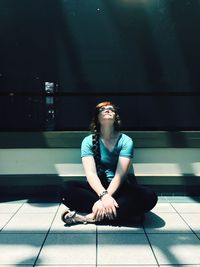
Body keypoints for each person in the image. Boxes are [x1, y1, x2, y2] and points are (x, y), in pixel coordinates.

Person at [61, 101, 157, 225]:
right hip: (97, 189)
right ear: (97, 118)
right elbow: (91, 174)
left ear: (115, 117)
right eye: (103, 109)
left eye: (111, 109)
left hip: (119, 189)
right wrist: (103, 196)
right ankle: (121, 214)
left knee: (150, 196)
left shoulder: (126, 141)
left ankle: (86, 217)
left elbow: (120, 175)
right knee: (65, 189)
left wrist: (105, 198)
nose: (107, 110)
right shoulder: (88, 141)